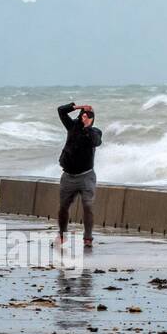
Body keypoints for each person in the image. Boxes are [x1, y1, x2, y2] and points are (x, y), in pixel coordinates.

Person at [57, 102, 102, 247]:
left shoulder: (94, 132)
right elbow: (61, 111)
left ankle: (87, 238)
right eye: (82, 116)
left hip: (86, 176)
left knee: (88, 205)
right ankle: (62, 234)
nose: (84, 118)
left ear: (92, 119)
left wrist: (88, 127)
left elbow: (97, 142)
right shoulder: (71, 127)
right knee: (63, 207)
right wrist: (77, 106)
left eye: (88, 116)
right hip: (68, 176)